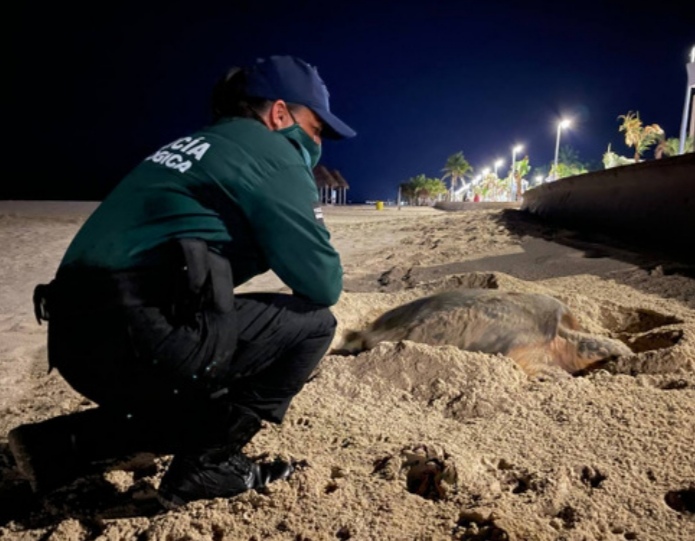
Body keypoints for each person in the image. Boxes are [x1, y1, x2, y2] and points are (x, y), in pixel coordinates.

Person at [8, 54, 356, 509]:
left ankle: (58, 446)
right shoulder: (274, 155)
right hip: (138, 336)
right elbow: (323, 283)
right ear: (279, 113)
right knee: (312, 325)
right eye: (316, 128)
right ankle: (209, 463)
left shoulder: (195, 144)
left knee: (207, 363)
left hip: (72, 337)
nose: (319, 142)